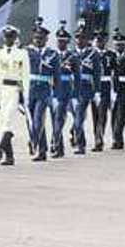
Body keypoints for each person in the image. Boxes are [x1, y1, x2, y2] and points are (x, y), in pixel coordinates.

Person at [0, 25, 30, 166]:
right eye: (6, 36)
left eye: (11, 36)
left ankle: (0, 147)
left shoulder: (22, 54)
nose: (8, 39)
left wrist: (26, 95)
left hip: (14, 89)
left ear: (15, 38)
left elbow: (25, 76)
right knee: (3, 122)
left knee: (8, 120)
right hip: (2, 89)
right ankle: (9, 156)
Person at [26, 20, 57, 162]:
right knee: (32, 121)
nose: (38, 41)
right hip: (30, 89)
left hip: (44, 90)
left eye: (41, 38)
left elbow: (56, 75)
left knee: (38, 119)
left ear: (46, 39)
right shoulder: (27, 52)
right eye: (36, 38)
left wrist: (55, 94)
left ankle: (33, 142)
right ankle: (42, 150)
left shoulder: (53, 54)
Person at [71, 21, 100, 156]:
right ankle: (75, 133)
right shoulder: (71, 54)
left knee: (79, 118)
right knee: (74, 117)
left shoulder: (93, 54)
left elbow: (97, 74)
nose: (79, 40)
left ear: (87, 39)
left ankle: (80, 145)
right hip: (70, 90)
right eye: (77, 37)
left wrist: (97, 92)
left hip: (85, 89)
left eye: (82, 37)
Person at [50, 22, 77, 159]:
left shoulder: (72, 57)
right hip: (53, 89)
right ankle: (56, 144)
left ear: (67, 43)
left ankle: (57, 145)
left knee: (60, 118)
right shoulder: (52, 55)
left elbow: (76, 75)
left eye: (63, 42)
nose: (61, 44)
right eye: (59, 41)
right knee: (54, 118)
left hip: (66, 89)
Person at [92, 29, 113, 150]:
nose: (100, 43)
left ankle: (99, 139)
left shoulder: (111, 54)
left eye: (102, 40)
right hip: (94, 85)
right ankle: (97, 136)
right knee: (95, 114)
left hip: (106, 85)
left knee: (102, 113)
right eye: (98, 40)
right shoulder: (92, 54)